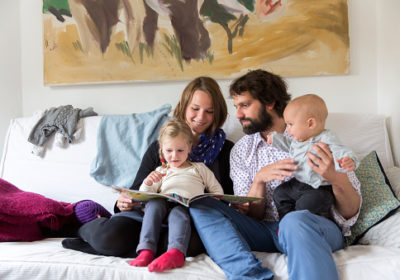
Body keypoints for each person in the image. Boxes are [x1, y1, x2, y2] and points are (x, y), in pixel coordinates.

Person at [189, 69, 362, 280]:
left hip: (315, 227)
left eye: (245, 105)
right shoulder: (242, 151)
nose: (238, 115)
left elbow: (351, 211)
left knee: (293, 221)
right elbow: (252, 215)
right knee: (200, 204)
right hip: (266, 230)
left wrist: (334, 177)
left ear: (269, 102)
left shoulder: (314, 137)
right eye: (237, 107)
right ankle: (251, 276)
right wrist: (260, 179)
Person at [62, 76, 234, 258]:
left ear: (218, 113)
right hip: (149, 217)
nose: (201, 117)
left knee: (191, 244)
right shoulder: (161, 146)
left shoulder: (225, 150)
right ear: (184, 107)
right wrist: (124, 203)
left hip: (189, 221)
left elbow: (225, 199)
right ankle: (86, 232)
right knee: (109, 237)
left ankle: (128, 250)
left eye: (209, 111)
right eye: (195, 109)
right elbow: (137, 190)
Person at [130, 119, 224, 272]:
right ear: (161, 150)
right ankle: (146, 250)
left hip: (187, 208)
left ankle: (176, 253)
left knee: (178, 212)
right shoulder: (161, 171)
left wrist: (211, 201)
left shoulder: (199, 168)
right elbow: (143, 196)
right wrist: (147, 182)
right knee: (154, 204)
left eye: (180, 150)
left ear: (189, 148)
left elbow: (216, 191)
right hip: (163, 209)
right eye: (169, 151)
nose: (174, 156)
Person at [267, 94, 359, 220]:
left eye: (290, 124)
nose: (287, 130)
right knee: (280, 193)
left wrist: (349, 160)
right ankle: (285, 223)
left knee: (308, 204)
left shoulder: (327, 139)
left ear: (310, 123)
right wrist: (276, 139)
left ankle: (298, 222)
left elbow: (342, 150)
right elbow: (288, 145)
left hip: (319, 188)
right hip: (298, 183)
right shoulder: (297, 140)